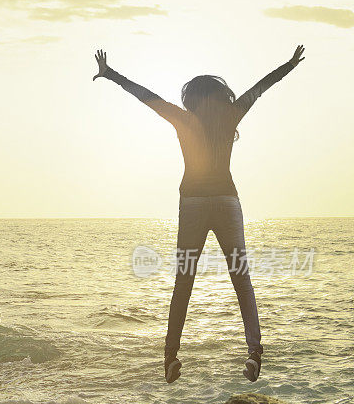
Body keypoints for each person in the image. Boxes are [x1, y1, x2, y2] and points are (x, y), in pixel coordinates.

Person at [93, 45, 305, 383]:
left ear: (192, 97)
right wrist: (290, 65)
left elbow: (146, 96)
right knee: (241, 276)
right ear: (220, 95)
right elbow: (261, 87)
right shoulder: (231, 113)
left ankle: (170, 357)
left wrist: (111, 74)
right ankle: (254, 352)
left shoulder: (183, 117)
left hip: (192, 202)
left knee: (184, 280)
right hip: (226, 200)